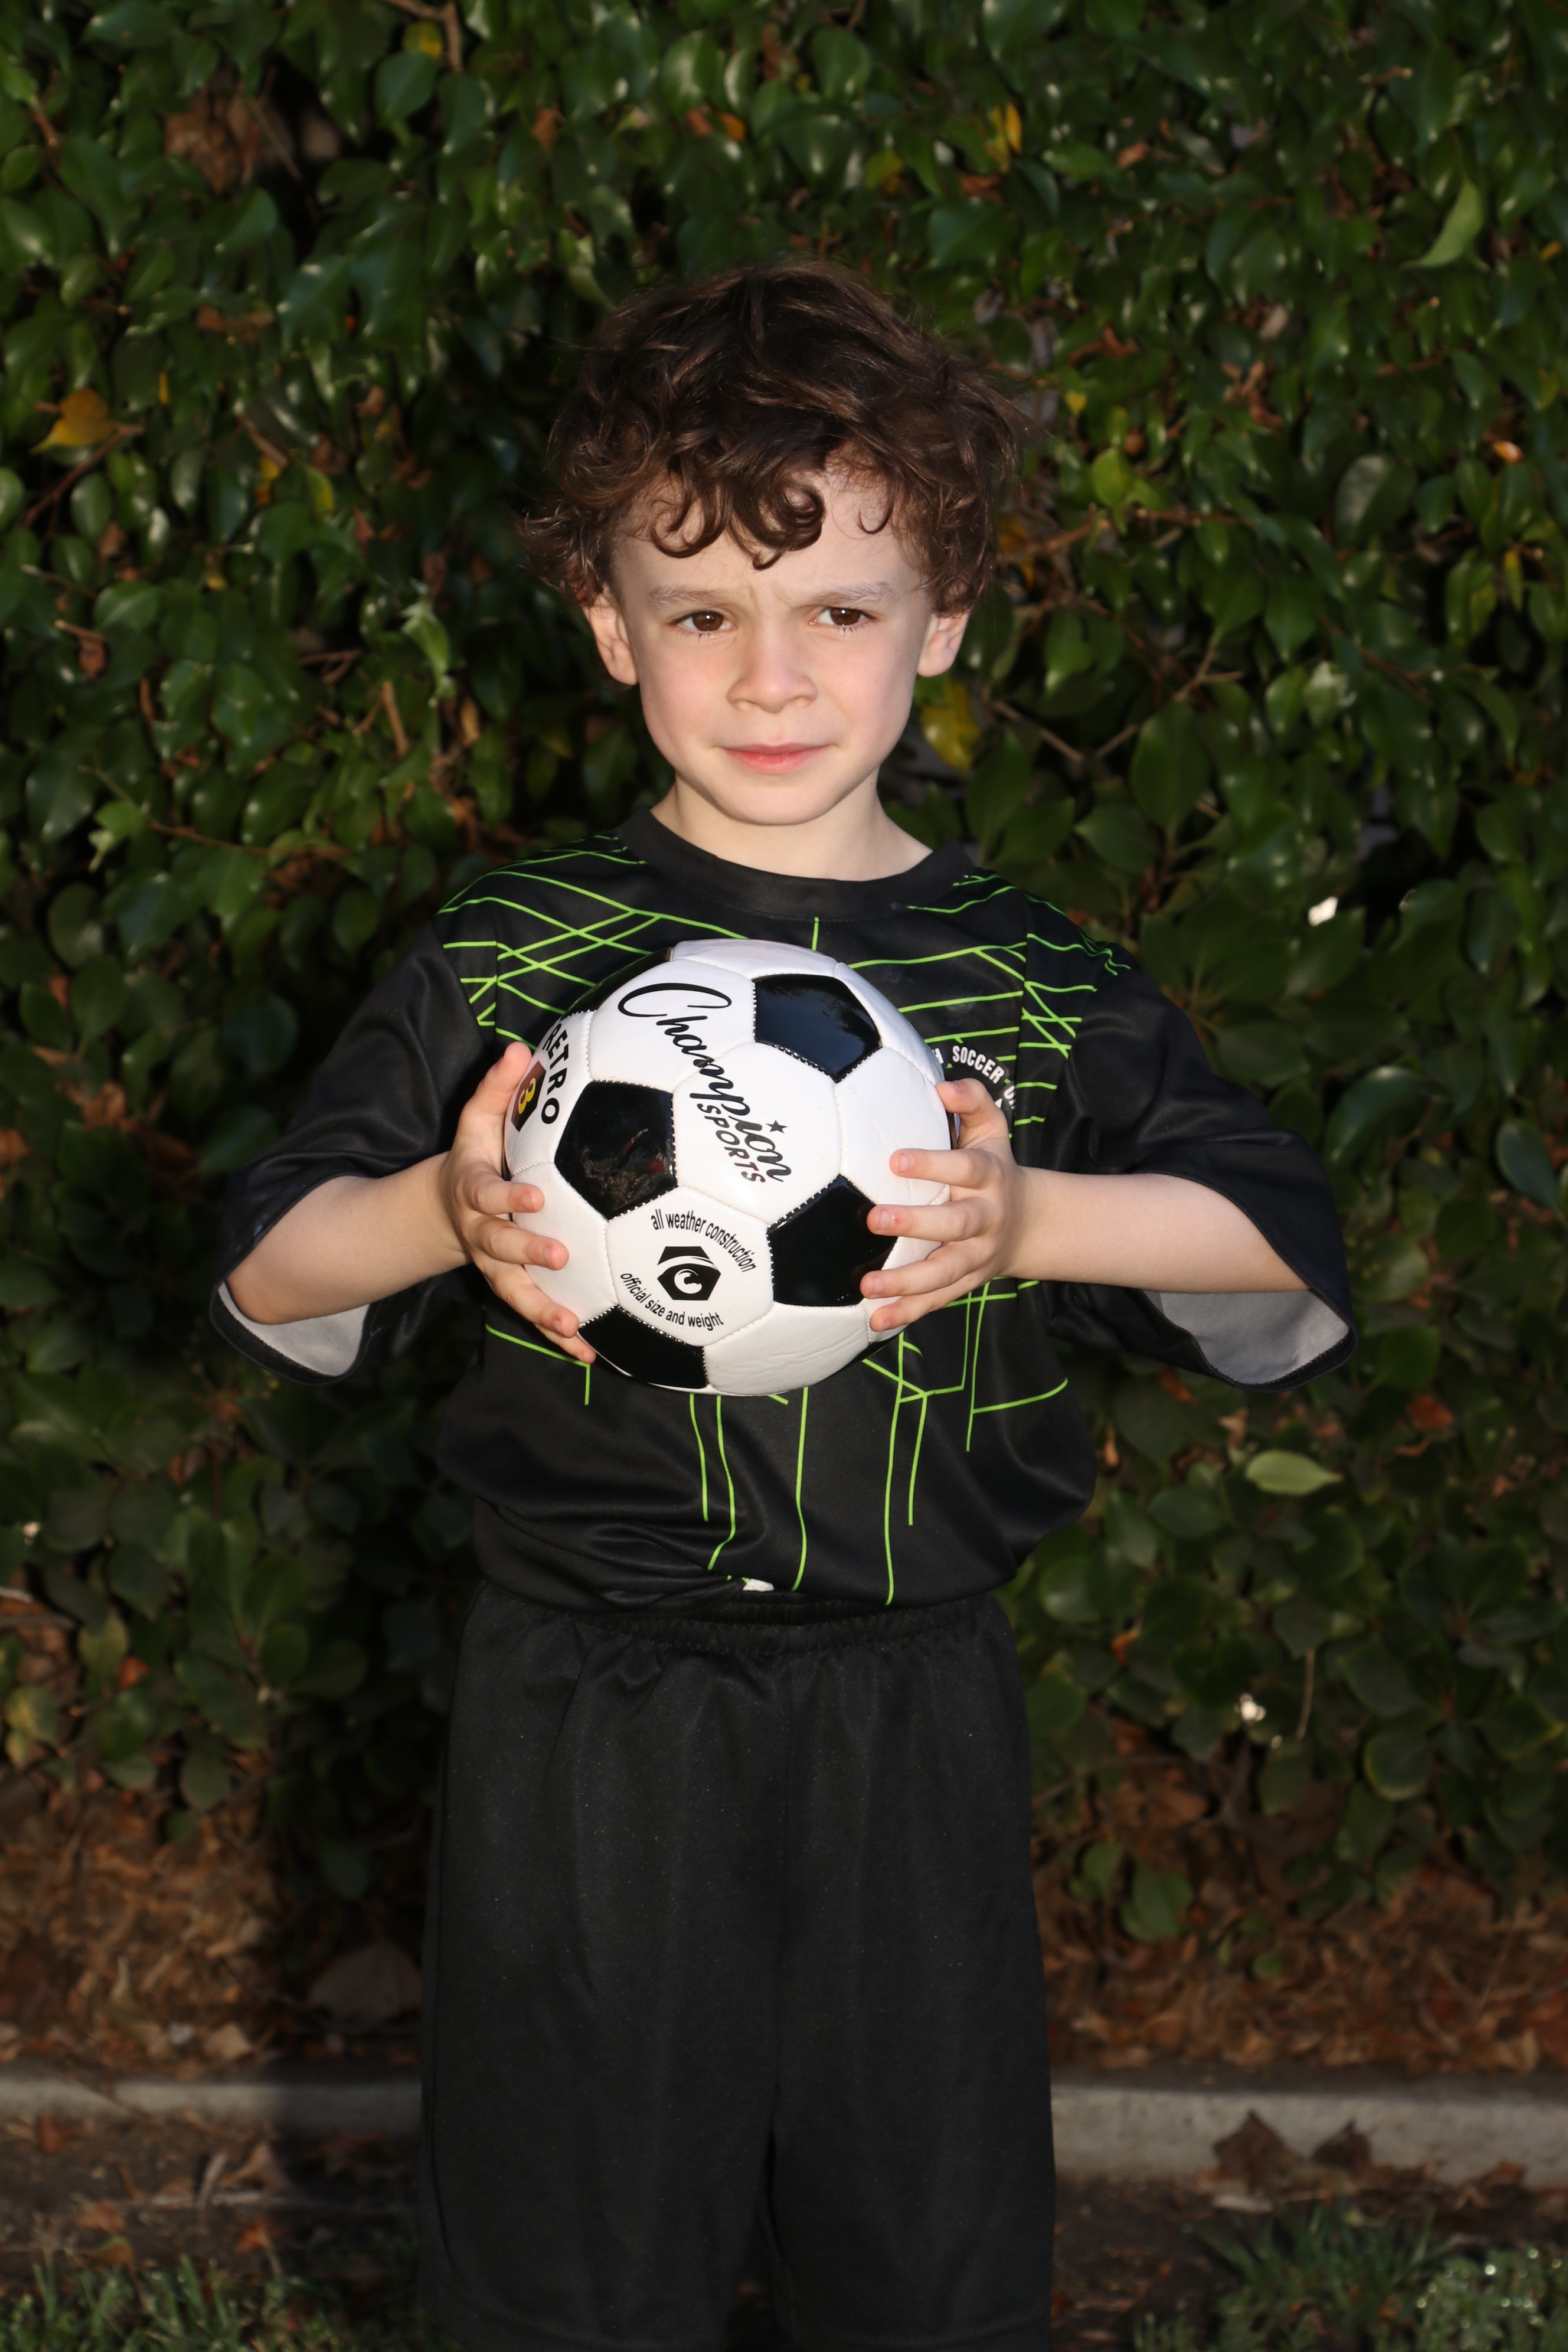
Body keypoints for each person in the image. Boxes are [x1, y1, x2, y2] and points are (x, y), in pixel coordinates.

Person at [214, 262, 1354, 2352]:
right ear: (605, 624)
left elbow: (1281, 1245)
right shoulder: (520, 950)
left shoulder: (1030, 975)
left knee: (923, 2273)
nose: (771, 673)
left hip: (911, 1705)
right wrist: (448, 1216)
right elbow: (274, 1262)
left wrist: (1033, 1222)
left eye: (839, 609)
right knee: (569, 2278)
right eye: (702, 613)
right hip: (587, 1705)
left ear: (947, 619)